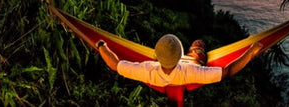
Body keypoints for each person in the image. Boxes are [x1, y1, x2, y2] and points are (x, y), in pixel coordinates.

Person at [96, 34, 263, 87]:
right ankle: (194, 50)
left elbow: (114, 64)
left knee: (196, 47)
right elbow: (228, 72)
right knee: (198, 44)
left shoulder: (147, 70)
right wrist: (250, 53)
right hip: (192, 61)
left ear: (156, 57)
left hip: (179, 62)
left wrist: (101, 45)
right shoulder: (191, 72)